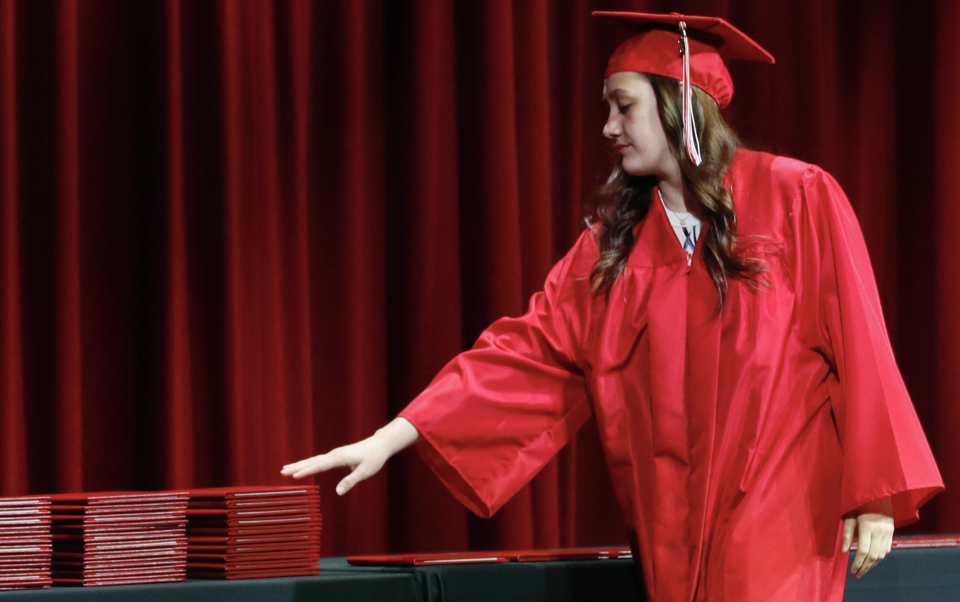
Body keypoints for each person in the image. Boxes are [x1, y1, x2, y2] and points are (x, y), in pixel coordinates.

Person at [282, 11, 943, 601]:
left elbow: (860, 341)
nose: (608, 127)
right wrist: (396, 434)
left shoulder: (797, 197)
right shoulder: (615, 246)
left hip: (781, 509)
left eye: (623, 108)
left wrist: (876, 495)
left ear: (681, 105)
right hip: (669, 526)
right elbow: (528, 349)